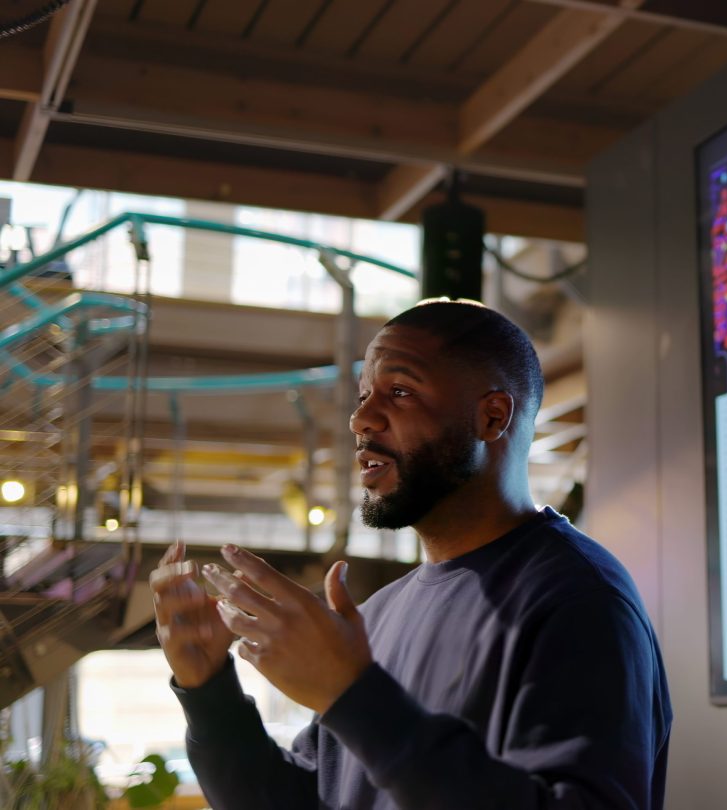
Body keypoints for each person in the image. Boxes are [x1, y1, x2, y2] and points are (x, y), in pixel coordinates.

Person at [149, 299, 671, 809]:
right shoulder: (376, 615)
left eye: (398, 392)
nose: (361, 421)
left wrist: (353, 698)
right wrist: (210, 691)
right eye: (362, 397)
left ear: (491, 418)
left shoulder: (580, 600)